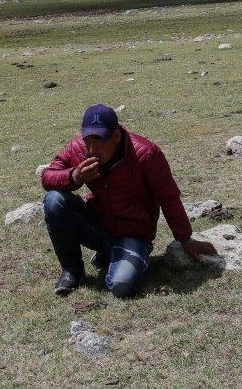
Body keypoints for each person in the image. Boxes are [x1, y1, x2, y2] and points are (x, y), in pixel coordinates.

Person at [41, 104, 218, 297]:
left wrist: (185, 240)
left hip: (134, 233)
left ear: (116, 136)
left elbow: (169, 198)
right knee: (54, 200)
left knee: (121, 287)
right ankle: (72, 271)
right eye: (88, 141)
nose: (92, 149)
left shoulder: (146, 154)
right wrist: (74, 177)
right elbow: (47, 176)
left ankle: (121, 255)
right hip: (97, 226)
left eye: (99, 141)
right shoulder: (78, 149)